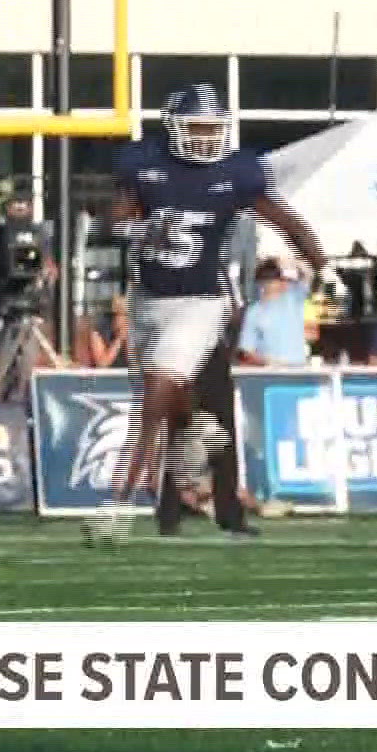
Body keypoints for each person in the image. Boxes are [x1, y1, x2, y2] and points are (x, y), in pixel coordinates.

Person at [94, 84, 325, 548]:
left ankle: (226, 509)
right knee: (174, 413)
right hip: (157, 305)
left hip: (206, 307)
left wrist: (321, 263)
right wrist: (140, 230)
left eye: (211, 128)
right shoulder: (147, 168)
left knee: (216, 410)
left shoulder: (236, 179)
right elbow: (109, 223)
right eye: (196, 127)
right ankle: (170, 506)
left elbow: (282, 217)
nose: (204, 137)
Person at [0, 196, 60, 362]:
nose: (19, 210)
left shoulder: (40, 234)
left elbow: (51, 266)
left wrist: (44, 276)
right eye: (15, 206)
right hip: (0, 307)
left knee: (27, 361)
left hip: (31, 305)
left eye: (23, 206)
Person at [236, 258, 312, 367]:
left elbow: (307, 273)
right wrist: (267, 362)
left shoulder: (294, 298)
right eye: (278, 280)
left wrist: (288, 263)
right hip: (270, 373)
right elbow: (246, 351)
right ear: (261, 283)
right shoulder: (253, 312)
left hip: (298, 369)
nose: (284, 283)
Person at [85, 293, 130, 368]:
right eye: (121, 315)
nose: (125, 321)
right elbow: (102, 363)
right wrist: (119, 339)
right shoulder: (99, 330)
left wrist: (127, 339)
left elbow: (137, 364)